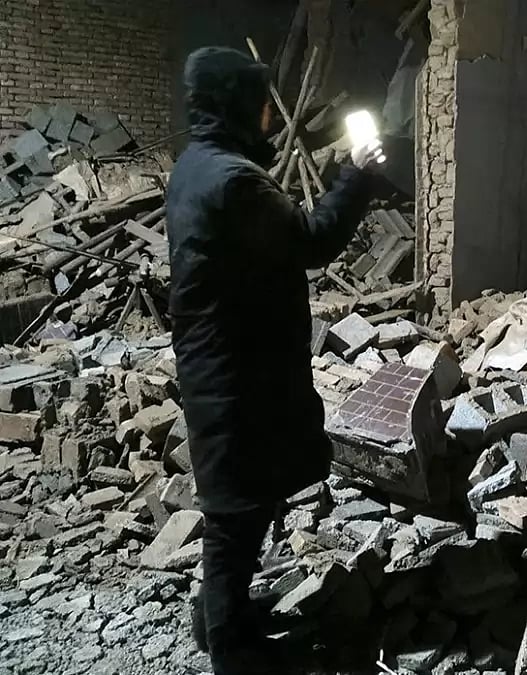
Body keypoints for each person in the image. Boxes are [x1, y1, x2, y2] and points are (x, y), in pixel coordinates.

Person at [166, 47, 383, 674]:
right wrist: (359, 174)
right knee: (237, 510)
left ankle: (221, 614)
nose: (268, 116)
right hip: (237, 371)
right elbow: (313, 241)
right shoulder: (235, 182)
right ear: (237, 103)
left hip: (225, 361)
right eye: (261, 104)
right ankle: (231, 650)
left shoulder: (196, 166)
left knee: (243, 498)